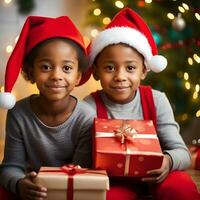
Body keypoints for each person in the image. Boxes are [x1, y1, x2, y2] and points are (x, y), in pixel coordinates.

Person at [84, 7, 200, 200]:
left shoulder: (156, 100)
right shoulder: (89, 106)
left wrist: (168, 161)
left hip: (157, 177)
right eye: (109, 67)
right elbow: (82, 157)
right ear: (95, 71)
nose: (120, 76)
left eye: (130, 68)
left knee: (181, 186)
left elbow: (182, 153)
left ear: (144, 70)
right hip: (113, 182)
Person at [0, 16, 95, 200]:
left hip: (70, 190)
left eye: (67, 68)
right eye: (46, 67)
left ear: (78, 76)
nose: (56, 76)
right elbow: (11, 166)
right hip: (31, 185)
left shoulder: (86, 117)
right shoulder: (18, 113)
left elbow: (80, 172)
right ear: (30, 72)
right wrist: (20, 184)